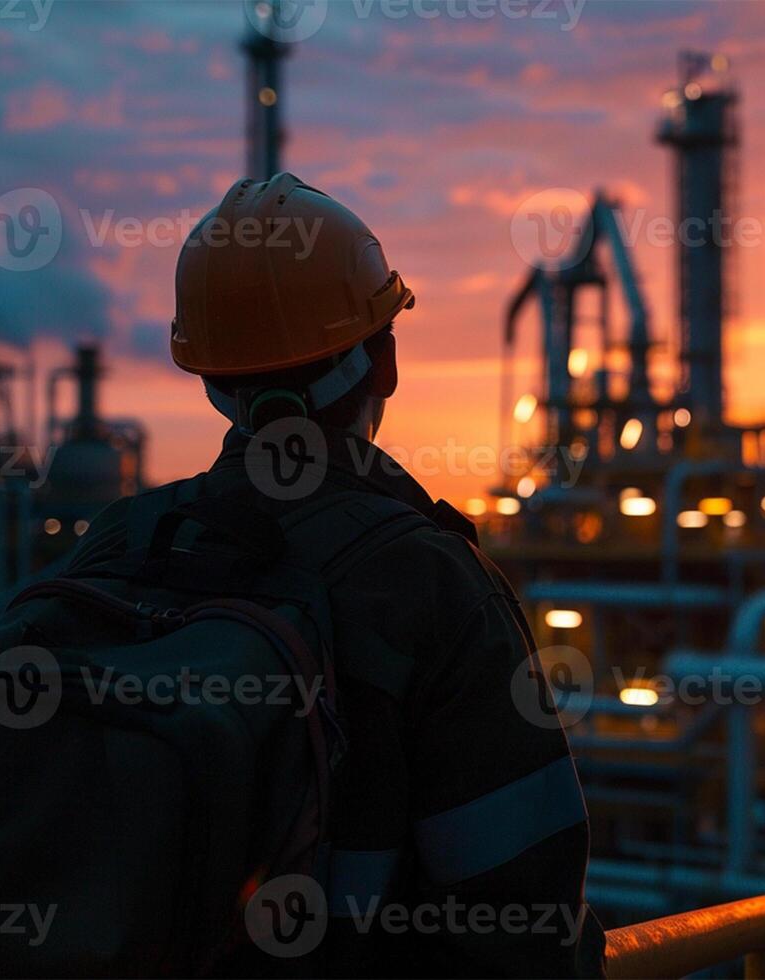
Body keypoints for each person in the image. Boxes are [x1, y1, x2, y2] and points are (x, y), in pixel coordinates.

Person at [69, 173, 605, 977]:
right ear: (382, 362)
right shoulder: (428, 581)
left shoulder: (119, 543)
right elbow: (531, 924)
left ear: (211, 382)